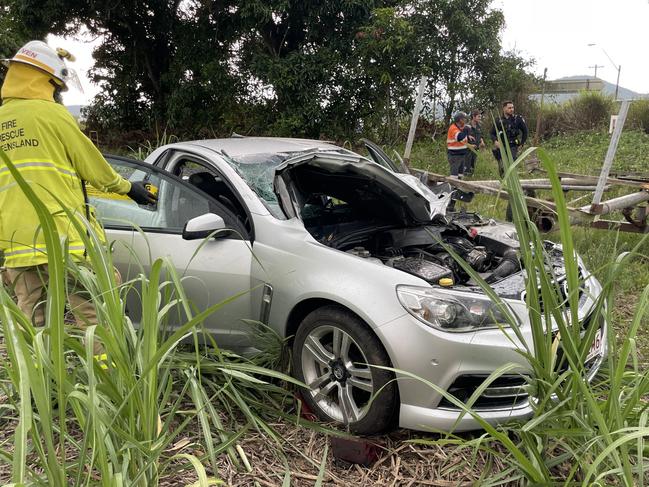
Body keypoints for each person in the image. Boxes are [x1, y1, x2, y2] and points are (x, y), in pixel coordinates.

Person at [0, 40, 157, 355]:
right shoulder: (52, 114)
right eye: (55, 85)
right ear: (42, 79)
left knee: (32, 323)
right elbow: (93, 167)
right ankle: (106, 384)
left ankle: (39, 393)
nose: (57, 93)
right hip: (64, 240)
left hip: (19, 246)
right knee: (96, 316)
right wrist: (130, 189)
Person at [490, 101, 528, 177]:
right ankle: (503, 182)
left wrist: (522, 143)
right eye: (509, 108)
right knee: (502, 167)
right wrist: (495, 141)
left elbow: (525, 131)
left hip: (513, 145)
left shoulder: (518, 119)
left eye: (512, 107)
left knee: (511, 163)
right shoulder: (498, 120)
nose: (512, 109)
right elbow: (491, 133)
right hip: (502, 146)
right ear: (504, 109)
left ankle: (512, 180)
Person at [446, 111, 472, 179]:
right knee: (454, 175)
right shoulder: (453, 128)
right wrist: (466, 130)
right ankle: (452, 187)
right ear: (460, 120)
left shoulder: (460, 128)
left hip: (461, 155)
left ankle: (459, 188)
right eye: (465, 119)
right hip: (454, 155)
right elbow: (459, 137)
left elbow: (463, 141)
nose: (466, 120)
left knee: (460, 175)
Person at [464, 109, 485, 176]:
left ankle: (470, 178)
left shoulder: (479, 126)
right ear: (473, 116)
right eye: (478, 116)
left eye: (480, 116)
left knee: (473, 165)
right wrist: (470, 145)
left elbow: (480, 135)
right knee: (467, 166)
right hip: (467, 150)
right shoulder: (466, 127)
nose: (480, 118)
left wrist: (482, 141)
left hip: (475, 150)